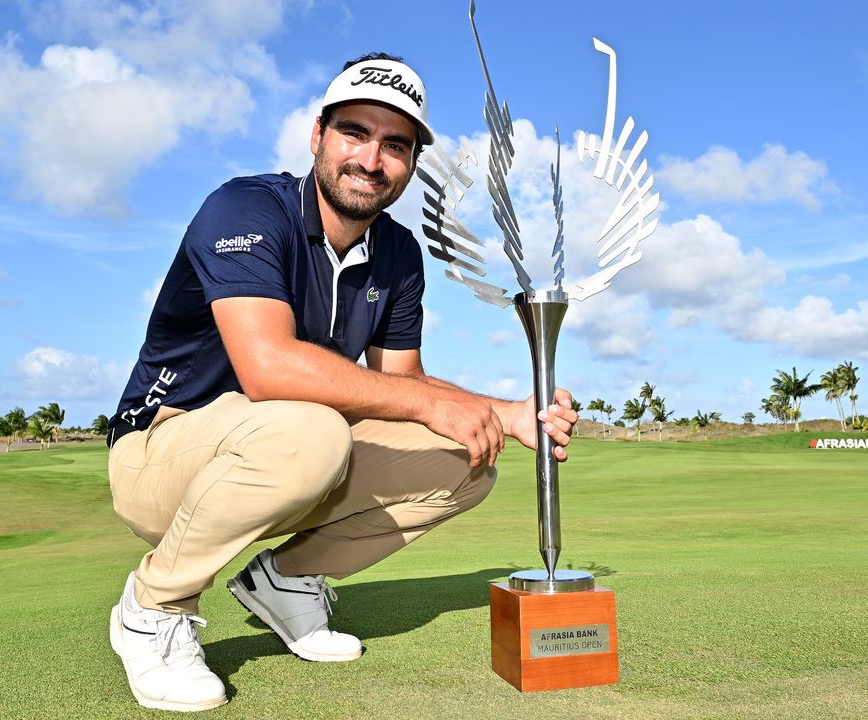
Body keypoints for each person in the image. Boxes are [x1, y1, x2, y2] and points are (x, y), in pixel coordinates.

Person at [104, 52, 578, 712]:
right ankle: (151, 609)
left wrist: (506, 413)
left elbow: (402, 382)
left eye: (395, 145)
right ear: (317, 136)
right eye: (355, 133)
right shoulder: (245, 208)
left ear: (410, 163)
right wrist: (429, 405)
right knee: (312, 429)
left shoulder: (398, 253)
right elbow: (267, 368)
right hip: (162, 448)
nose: (372, 159)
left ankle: (285, 582)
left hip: (286, 448)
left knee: (465, 460)